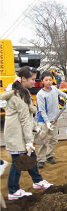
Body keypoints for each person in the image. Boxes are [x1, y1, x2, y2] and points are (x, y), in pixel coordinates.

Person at [0, 66, 53, 200]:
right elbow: (24, 120)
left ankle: (37, 181)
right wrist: (29, 141)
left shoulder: (23, 92)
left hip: (20, 133)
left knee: (31, 157)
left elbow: (29, 116)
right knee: (19, 161)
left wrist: (35, 127)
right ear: (23, 79)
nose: (34, 83)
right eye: (32, 79)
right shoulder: (18, 96)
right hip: (17, 135)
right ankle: (13, 190)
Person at [36, 71, 67, 168]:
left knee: (53, 139)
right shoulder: (40, 94)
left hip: (55, 119)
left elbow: (63, 94)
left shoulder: (54, 89)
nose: (48, 82)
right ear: (42, 81)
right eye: (46, 80)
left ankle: (49, 155)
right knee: (43, 140)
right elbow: (41, 110)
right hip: (43, 121)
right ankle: (41, 160)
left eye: (50, 80)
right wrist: (47, 122)